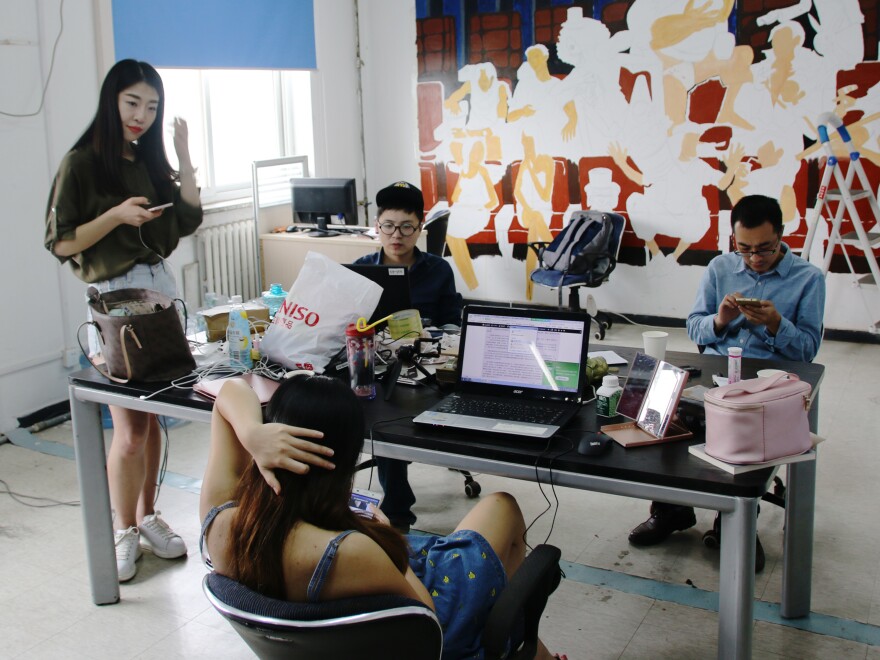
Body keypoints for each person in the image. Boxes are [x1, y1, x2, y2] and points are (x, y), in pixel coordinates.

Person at [200, 374, 560, 659]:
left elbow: (231, 390)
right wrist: (385, 539)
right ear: (343, 461)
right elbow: (425, 620)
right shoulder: (351, 550)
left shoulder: (220, 526)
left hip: (335, 638)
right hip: (425, 631)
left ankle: (532, 650)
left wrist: (250, 433)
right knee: (503, 507)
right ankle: (525, 647)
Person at [44, 60, 203, 581]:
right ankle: (124, 529)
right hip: (115, 296)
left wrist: (181, 156)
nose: (141, 115)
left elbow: (189, 217)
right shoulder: (81, 164)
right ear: (112, 101)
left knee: (156, 415)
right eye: (133, 103)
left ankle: (149, 516)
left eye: (152, 106)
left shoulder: (148, 157)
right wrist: (116, 215)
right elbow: (62, 242)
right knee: (130, 424)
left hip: (160, 286)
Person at [628, 194, 825, 572]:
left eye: (764, 249)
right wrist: (719, 319)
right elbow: (694, 327)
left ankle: (736, 523)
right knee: (664, 416)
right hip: (718, 375)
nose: (753, 258)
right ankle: (671, 509)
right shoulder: (720, 268)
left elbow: (808, 350)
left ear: (782, 237)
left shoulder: (808, 279)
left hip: (768, 386)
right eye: (744, 248)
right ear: (733, 240)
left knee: (743, 434)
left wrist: (774, 324)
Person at [354, 181, 463, 531]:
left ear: (420, 227)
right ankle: (397, 510)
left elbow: (453, 324)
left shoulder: (438, 270)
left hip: (427, 365)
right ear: (377, 226)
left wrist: (433, 333)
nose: (396, 235)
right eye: (388, 226)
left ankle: (397, 512)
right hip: (377, 364)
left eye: (406, 227)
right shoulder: (361, 270)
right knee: (382, 417)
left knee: (394, 415)